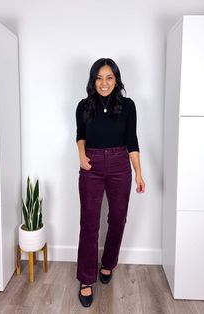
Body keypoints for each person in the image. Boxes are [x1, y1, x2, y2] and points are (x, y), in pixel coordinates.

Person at [76, 58, 145, 307]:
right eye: (99, 78)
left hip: (119, 164)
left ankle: (107, 264)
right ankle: (86, 279)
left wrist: (138, 172)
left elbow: (132, 140)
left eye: (109, 78)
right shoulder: (84, 105)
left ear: (116, 80)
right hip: (91, 166)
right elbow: (80, 136)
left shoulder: (127, 106)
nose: (104, 83)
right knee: (89, 223)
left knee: (118, 218)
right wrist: (82, 155)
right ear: (93, 80)